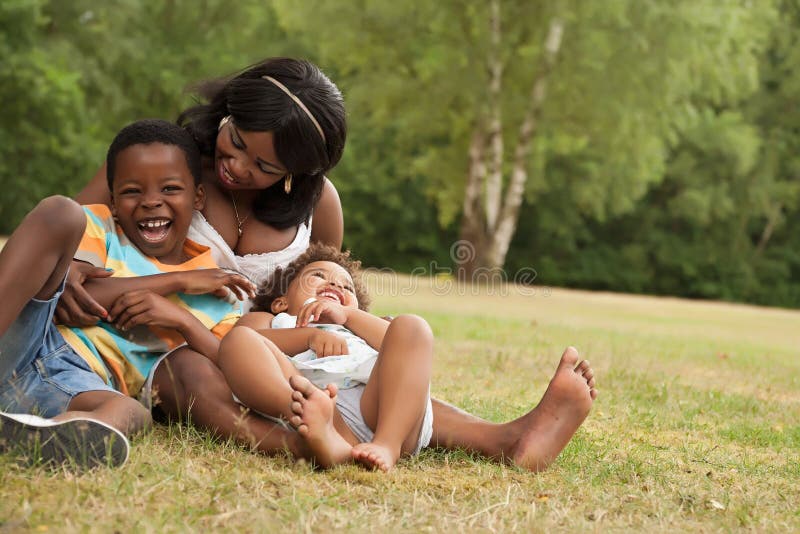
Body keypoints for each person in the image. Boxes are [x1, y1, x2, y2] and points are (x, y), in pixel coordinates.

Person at [65, 57, 597, 472]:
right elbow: (77, 223)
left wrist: (340, 334)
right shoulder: (169, 162)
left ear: (296, 173)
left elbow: (331, 292)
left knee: (358, 374)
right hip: (172, 348)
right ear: (227, 112)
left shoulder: (320, 208)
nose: (235, 166)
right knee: (191, 369)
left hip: (281, 358)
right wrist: (70, 269)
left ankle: (508, 440)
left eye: (263, 165)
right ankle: (311, 445)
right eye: (235, 140)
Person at [0, 119, 254, 468]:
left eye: (169, 189)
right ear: (115, 201)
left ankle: (42, 436)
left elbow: (230, 365)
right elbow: (82, 297)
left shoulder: (219, 296)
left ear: (197, 197)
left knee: (131, 412)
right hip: (29, 337)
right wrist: (176, 282)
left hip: (78, 384)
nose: (151, 202)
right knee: (61, 212)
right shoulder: (101, 227)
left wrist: (182, 320)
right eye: (133, 191)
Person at [216, 244, 433, 471]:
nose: (336, 284)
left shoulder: (358, 326)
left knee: (413, 326)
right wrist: (309, 336)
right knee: (239, 339)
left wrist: (348, 316)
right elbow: (252, 340)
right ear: (281, 302)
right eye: (318, 275)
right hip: (317, 407)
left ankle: (387, 446)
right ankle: (327, 434)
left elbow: (408, 348)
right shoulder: (275, 320)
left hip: (382, 411)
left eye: (347, 287)